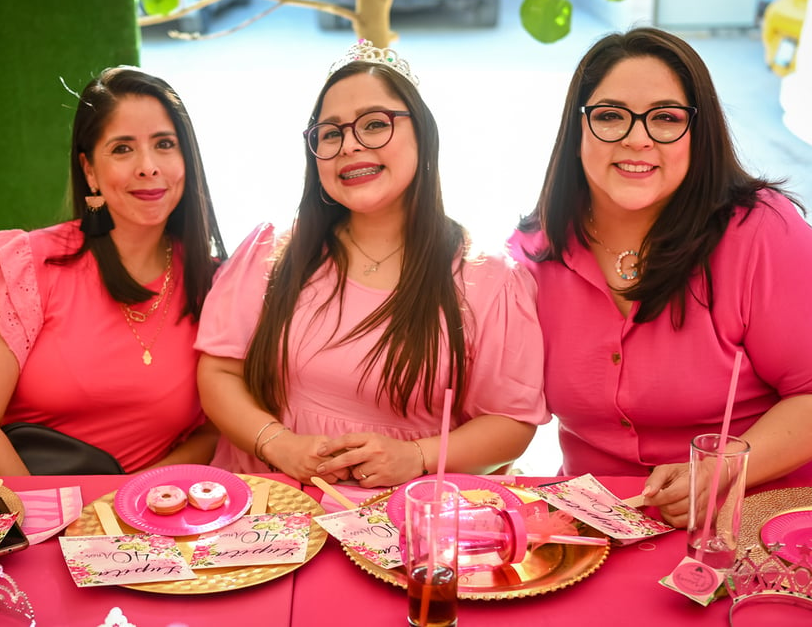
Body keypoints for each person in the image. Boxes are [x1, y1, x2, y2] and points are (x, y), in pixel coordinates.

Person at [509, 27, 812, 527]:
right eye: (609, 116)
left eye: (666, 118)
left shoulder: (761, 234)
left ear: (698, 132)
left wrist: (722, 470)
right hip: (611, 521)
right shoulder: (538, 255)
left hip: (788, 508)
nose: (637, 137)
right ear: (577, 129)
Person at [196, 40, 548, 487]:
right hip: (270, 509)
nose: (350, 145)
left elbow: (510, 425)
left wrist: (415, 457)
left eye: (375, 124)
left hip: (404, 516)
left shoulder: (489, 278)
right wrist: (279, 444)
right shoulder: (273, 251)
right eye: (331, 133)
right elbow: (218, 372)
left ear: (423, 134)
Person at [0, 66, 227, 475]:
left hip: (147, 518)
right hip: (26, 509)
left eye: (165, 144)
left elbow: (215, 432)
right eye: (122, 149)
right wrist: (58, 522)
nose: (148, 166)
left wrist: (127, 506)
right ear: (89, 170)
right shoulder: (28, 265)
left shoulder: (214, 284)